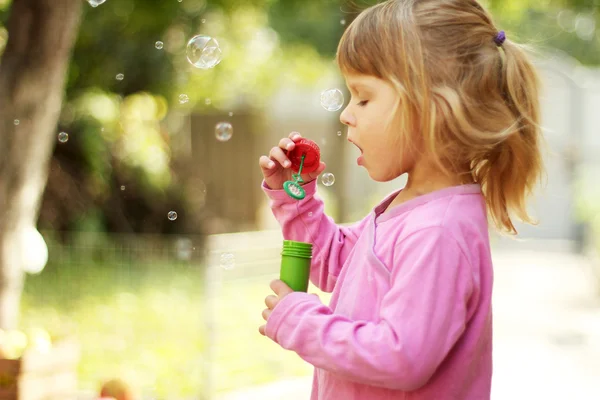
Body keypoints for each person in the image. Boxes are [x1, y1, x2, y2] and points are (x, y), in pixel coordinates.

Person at [257, 0, 544, 398]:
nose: (345, 114)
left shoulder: (439, 231)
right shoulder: (410, 210)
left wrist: (302, 323)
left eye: (363, 98)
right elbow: (335, 264)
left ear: (429, 104)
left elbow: (402, 356)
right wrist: (296, 197)